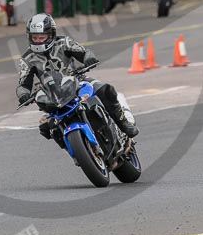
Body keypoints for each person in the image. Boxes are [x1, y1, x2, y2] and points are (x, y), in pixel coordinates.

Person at [16, 13, 139, 144]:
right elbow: (23, 84)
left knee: (105, 90)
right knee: (46, 127)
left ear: (51, 34)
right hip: (53, 94)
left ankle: (124, 124)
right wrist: (23, 94)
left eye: (42, 37)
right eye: (35, 37)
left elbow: (84, 52)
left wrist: (88, 58)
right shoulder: (27, 59)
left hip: (77, 81)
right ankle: (75, 149)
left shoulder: (64, 43)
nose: (38, 40)